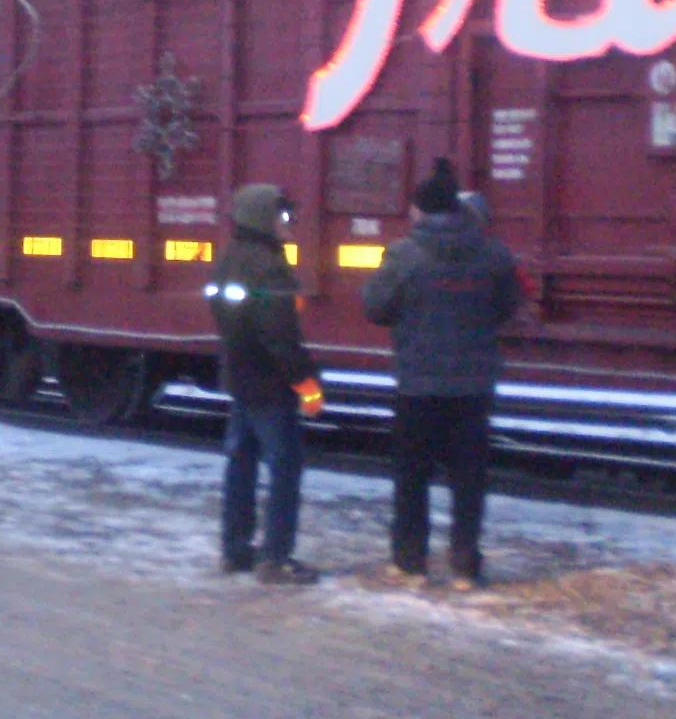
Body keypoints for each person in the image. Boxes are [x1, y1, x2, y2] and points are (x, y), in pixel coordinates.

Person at [361, 158, 522, 587]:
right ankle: (465, 564)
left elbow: (375, 307)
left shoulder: (405, 254)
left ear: (421, 210)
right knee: (469, 479)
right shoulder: (492, 252)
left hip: (419, 383)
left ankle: (410, 560)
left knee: (412, 475)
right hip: (474, 384)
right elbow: (508, 306)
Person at [206, 182, 324, 585]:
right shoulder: (270, 268)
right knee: (285, 468)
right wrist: (307, 384)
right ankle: (275, 558)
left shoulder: (228, 259)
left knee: (240, 464)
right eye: (282, 215)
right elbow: (282, 339)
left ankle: (235, 551)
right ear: (263, 219)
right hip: (271, 386)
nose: (289, 222)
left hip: (240, 378)